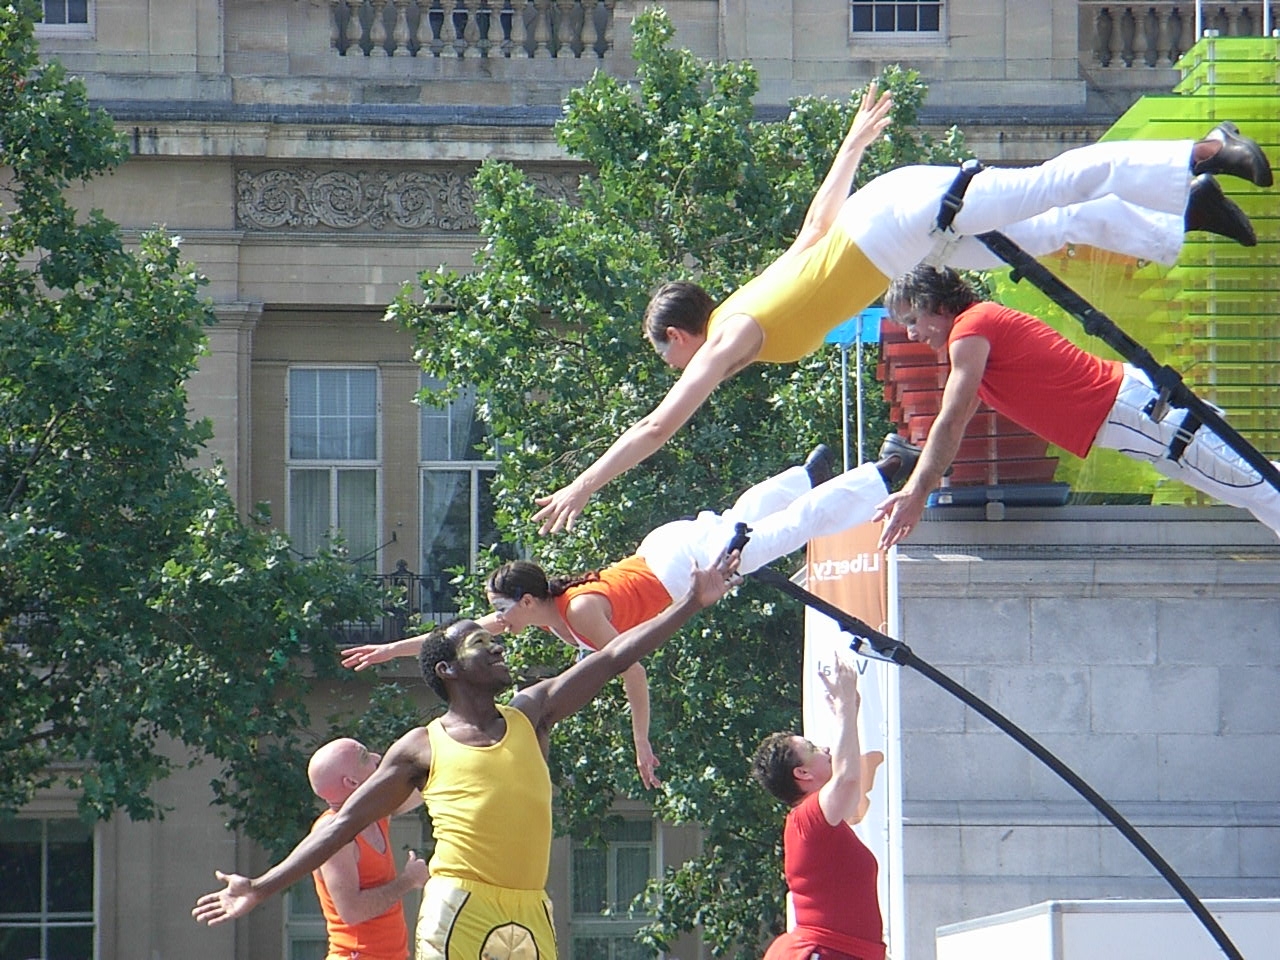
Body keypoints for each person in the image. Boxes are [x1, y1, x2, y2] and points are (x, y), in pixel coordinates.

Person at [531, 99, 1273, 534]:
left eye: (664, 356)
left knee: (1052, 186)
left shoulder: (732, 335)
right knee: (1045, 233)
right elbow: (815, 225)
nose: (673, 369)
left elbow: (656, 427)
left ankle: (1206, 151)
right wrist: (851, 145)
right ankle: (1186, 211)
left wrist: (584, 486)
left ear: (677, 335)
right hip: (897, 227)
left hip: (901, 221)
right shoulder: (746, 302)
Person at [193, 552, 742, 960]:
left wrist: (692, 602)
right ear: (448, 670)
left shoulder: (534, 711)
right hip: (461, 908)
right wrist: (261, 887)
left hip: (532, 910)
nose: (497, 644)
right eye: (480, 644)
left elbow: (617, 654)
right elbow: (340, 826)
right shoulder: (421, 746)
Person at [342, 439, 919, 788]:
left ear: (527, 602)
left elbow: (632, 667)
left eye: (503, 612)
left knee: (785, 532)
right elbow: (456, 636)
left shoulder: (579, 612)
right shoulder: (550, 612)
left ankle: (885, 470)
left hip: (682, 567)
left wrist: (641, 739)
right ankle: (807, 474)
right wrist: (392, 650)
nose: (498, 624)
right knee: (742, 520)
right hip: (662, 550)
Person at [873, 264, 1280, 548]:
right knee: (1254, 491)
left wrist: (915, 493)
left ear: (938, 305)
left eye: (912, 319)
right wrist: (919, 484)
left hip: (1136, 414)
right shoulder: (977, 330)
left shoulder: (970, 329)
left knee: (1257, 486)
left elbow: (951, 420)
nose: (911, 334)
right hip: (1134, 415)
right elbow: (954, 425)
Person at [751, 654, 886, 960]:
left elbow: (847, 777)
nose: (824, 749)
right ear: (802, 774)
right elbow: (848, 778)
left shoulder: (813, 823)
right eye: (813, 748)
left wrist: (848, 710)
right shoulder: (806, 820)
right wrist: (845, 707)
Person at [306, 737, 429, 960]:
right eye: (365, 757)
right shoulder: (334, 832)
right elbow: (352, 911)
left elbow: (425, 788)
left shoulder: (373, 813)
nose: (376, 757)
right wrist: (409, 880)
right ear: (352, 782)